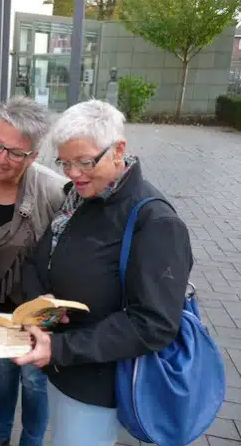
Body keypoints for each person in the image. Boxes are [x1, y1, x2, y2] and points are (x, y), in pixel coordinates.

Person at [15, 99, 193, 445]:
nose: (73, 173)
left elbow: (154, 323)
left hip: (103, 388)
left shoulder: (155, 222)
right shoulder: (78, 197)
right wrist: (40, 299)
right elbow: (38, 259)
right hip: (64, 371)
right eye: (64, 162)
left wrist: (60, 348)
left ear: (119, 150)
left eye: (84, 162)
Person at [0, 96, 67, 446]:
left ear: (34, 156)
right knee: (0, 374)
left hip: (36, 308)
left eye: (15, 153)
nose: (0, 158)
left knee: (35, 383)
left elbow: (65, 255)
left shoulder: (52, 192)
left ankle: (32, 442)